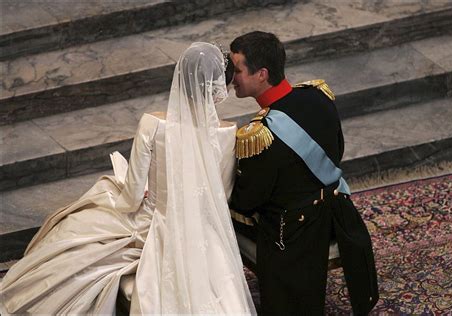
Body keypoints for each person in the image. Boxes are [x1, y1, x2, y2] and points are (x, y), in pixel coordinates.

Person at [0, 42, 256, 315]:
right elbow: (220, 197)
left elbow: (132, 197)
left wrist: (135, 196)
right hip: (204, 231)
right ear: (220, 89)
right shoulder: (229, 132)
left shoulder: (153, 124)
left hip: (154, 224)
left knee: (89, 210)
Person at [229, 31, 379, 315]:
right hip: (336, 212)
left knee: (214, 216)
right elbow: (337, 151)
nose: (232, 79)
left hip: (292, 231)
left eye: (237, 71)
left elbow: (246, 201)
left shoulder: (261, 135)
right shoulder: (318, 95)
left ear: (261, 74)